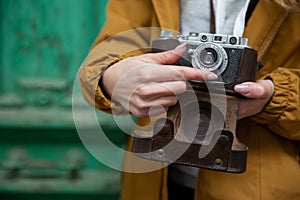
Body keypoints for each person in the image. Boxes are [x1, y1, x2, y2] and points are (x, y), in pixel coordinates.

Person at [78, 0, 300, 199]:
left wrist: (275, 96)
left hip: (263, 184)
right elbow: (104, 56)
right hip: (155, 177)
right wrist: (113, 78)